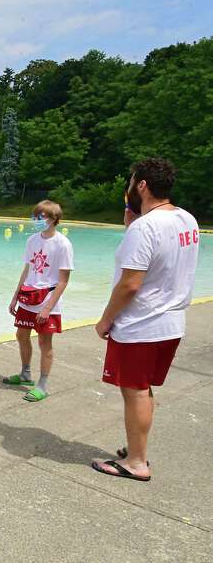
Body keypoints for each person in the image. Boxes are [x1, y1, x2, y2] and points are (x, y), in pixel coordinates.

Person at [91, 158, 199, 482]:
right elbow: (162, 263)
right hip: (170, 322)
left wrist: (105, 321)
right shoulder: (187, 220)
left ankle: (137, 462)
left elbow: (131, 284)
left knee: (134, 391)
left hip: (140, 325)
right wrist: (131, 228)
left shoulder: (146, 227)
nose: (127, 188)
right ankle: (136, 447)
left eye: (130, 182)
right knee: (144, 389)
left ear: (141, 186)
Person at [3, 200, 74, 402]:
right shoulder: (32, 240)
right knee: (21, 335)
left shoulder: (63, 244)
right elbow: (27, 270)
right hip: (28, 297)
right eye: (35, 216)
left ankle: (42, 385)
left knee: (45, 342)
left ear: (54, 219)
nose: (36, 220)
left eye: (41, 217)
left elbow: (63, 280)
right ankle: (25, 373)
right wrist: (15, 297)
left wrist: (48, 308)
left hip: (47, 300)